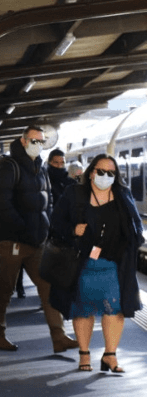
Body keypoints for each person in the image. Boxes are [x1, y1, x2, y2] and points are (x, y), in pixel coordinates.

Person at [0, 125, 79, 353]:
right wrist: (22, 228)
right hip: (13, 241)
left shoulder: (40, 167)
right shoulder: (10, 167)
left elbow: (46, 203)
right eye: (34, 140)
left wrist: (45, 228)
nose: (38, 145)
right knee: (6, 288)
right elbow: (1, 203)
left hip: (36, 241)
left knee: (48, 286)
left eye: (41, 141)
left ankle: (59, 336)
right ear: (23, 141)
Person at [49, 154, 143, 372]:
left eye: (111, 173)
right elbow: (56, 221)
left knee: (115, 309)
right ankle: (84, 354)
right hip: (80, 263)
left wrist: (128, 242)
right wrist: (72, 230)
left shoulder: (122, 194)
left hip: (112, 264)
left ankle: (110, 355)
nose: (106, 176)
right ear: (91, 172)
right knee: (82, 309)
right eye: (101, 171)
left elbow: (136, 227)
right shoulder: (75, 194)